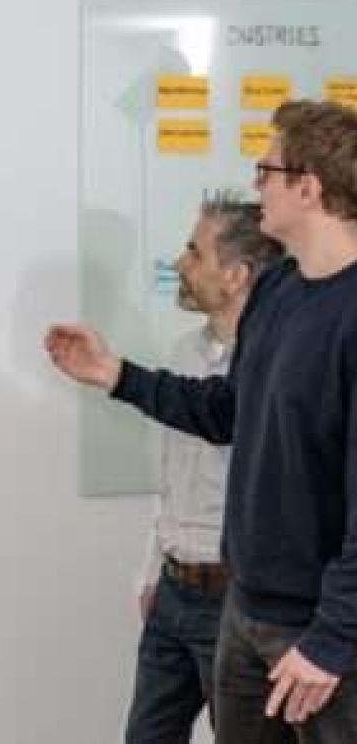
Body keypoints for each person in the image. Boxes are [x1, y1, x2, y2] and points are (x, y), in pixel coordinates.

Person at [45, 99, 357, 743]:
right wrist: (116, 374)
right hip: (246, 612)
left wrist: (332, 639)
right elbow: (226, 412)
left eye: (267, 170)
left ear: (309, 187)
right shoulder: (278, 290)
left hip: (318, 634)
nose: (256, 184)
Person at [125, 191, 283, 743]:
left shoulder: (274, 369)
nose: (180, 263)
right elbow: (171, 479)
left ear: (236, 276)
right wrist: (152, 571)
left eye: (195, 251)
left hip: (233, 602)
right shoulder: (182, 352)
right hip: (173, 590)